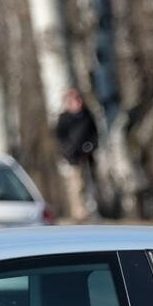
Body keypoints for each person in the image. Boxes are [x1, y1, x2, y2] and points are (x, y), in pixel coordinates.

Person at [53, 88, 98, 219]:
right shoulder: (64, 119)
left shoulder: (87, 115)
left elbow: (95, 135)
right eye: (74, 100)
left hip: (88, 156)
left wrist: (91, 146)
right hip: (72, 157)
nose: (78, 102)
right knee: (77, 185)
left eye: (79, 99)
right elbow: (60, 139)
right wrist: (69, 150)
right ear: (69, 103)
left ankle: (93, 210)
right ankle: (79, 212)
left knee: (91, 183)